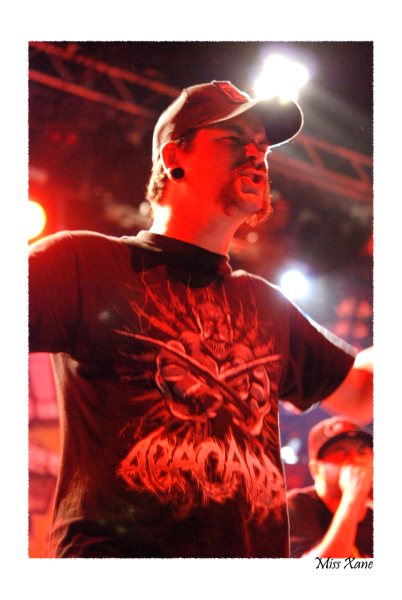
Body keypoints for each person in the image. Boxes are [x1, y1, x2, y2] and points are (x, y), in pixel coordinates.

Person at [29, 80, 373, 558]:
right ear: (175, 157)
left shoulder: (266, 304)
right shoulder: (82, 263)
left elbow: (363, 392)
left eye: (262, 147)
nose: (257, 156)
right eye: (235, 140)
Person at [287, 416, 373, 558]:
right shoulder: (295, 506)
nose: (355, 460)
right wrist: (351, 497)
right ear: (316, 469)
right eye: (341, 452)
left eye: (362, 452)